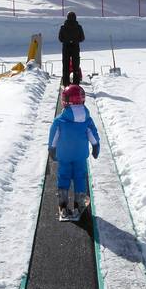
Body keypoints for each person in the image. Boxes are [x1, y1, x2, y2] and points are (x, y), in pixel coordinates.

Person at [48, 84, 100, 218]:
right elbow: (93, 135)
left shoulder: (59, 120)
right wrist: (96, 147)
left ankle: (63, 205)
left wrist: (52, 149)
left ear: (64, 101)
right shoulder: (87, 120)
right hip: (80, 156)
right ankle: (79, 204)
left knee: (63, 176)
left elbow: (54, 137)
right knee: (80, 177)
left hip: (64, 155)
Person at [58, 11, 85, 86]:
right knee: (76, 66)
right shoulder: (78, 27)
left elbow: (60, 38)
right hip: (75, 48)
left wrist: (67, 40)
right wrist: (75, 41)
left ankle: (66, 83)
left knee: (65, 66)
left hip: (66, 48)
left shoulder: (63, 27)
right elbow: (82, 38)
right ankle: (76, 83)